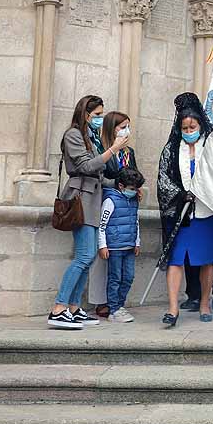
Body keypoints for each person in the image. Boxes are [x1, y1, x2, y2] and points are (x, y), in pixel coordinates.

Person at [48, 95, 130, 330]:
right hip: (80, 198)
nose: (100, 119)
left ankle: (73, 307)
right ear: (85, 114)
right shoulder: (73, 135)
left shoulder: (90, 138)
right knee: (84, 256)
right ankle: (58, 307)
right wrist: (113, 149)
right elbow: (85, 167)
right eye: (96, 115)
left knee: (90, 256)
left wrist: (122, 188)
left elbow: (100, 175)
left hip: (92, 198)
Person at [157, 93, 213, 328]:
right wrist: (181, 195)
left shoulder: (212, 147)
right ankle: (172, 308)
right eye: (184, 127)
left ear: (201, 125)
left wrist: (207, 191)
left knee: (206, 261)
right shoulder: (171, 150)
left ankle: (204, 301)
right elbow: (163, 180)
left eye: (192, 126)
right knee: (175, 259)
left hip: (206, 214)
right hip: (181, 214)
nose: (189, 130)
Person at [88, 110, 138, 318]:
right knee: (102, 258)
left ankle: (116, 301)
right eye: (121, 126)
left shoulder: (129, 153)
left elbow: (135, 175)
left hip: (125, 208)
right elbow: (102, 176)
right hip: (107, 203)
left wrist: (136, 188)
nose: (125, 130)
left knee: (122, 269)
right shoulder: (104, 149)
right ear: (111, 129)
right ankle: (101, 301)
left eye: (127, 125)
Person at [99, 166, 145, 323]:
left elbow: (135, 221)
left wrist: (136, 242)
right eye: (132, 188)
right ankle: (113, 309)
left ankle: (119, 305)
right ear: (121, 186)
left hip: (129, 247)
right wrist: (103, 245)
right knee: (115, 278)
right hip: (115, 247)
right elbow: (102, 225)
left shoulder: (133, 201)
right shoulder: (110, 200)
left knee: (128, 277)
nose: (134, 191)